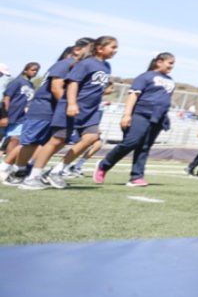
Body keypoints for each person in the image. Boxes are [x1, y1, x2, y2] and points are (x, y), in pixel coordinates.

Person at [21, 36, 117, 190]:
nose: (115, 50)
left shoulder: (107, 66)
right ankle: (32, 177)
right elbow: (73, 84)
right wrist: (71, 104)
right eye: (112, 47)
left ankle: (56, 171)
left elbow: (93, 88)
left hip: (90, 111)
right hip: (71, 106)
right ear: (99, 48)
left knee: (92, 137)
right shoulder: (85, 63)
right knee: (57, 141)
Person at [1, 39, 93, 185]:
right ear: (77, 50)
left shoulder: (76, 67)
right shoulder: (65, 64)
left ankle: (31, 171)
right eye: (91, 49)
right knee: (30, 142)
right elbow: (56, 88)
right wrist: (69, 106)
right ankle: (15, 172)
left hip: (55, 110)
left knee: (52, 142)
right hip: (44, 109)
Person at [95, 52, 176, 186]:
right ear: (159, 62)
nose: (172, 66)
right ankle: (104, 165)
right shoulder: (145, 77)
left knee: (144, 147)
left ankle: (136, 177)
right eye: (170, 63)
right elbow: (133, 95)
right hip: (141, 114)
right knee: (130, 143)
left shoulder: (171, 80)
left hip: (157, 118)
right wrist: (127, 115)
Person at [1, 62, 40, 162]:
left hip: (20, 118)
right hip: (8, 115)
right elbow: (6, 98)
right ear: (25, 70)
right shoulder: (17, 82)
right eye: (32, 70)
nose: (35, 72)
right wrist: (4, 115)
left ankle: (7, 164)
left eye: (36, 70)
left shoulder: (31, 85)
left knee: (15, 140)